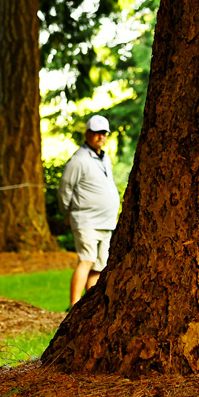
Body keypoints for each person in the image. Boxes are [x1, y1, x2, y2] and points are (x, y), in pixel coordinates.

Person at [57, 114, 121, 307]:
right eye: (96, 133)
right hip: (86, 220)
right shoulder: (79, 160)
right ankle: (73, 305)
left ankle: (89, 306)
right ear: (87, 134)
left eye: (104, 133)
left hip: (106, 222)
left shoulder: (105, 158)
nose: (100, 136)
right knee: (86, 259)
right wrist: (67, 213)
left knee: (99, 266)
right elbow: (65, 189)